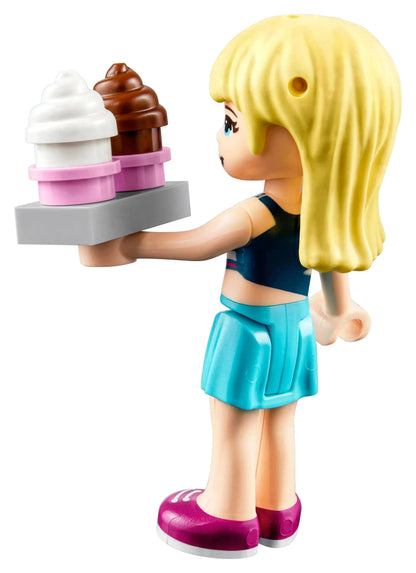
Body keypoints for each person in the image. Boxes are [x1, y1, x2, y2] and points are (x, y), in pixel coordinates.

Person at [79, 15, 401, 559]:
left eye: (232, 123)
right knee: (280, 421)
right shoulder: (325, 214)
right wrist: (339, 310)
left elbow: (198, 244)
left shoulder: (257, 211)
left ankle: (225, 514)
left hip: (247, 329)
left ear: (303, 131)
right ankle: (278, 508)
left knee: (233, 423)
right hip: (297, 330)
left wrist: (129, 244)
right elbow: (330, 270)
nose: (221, 138)